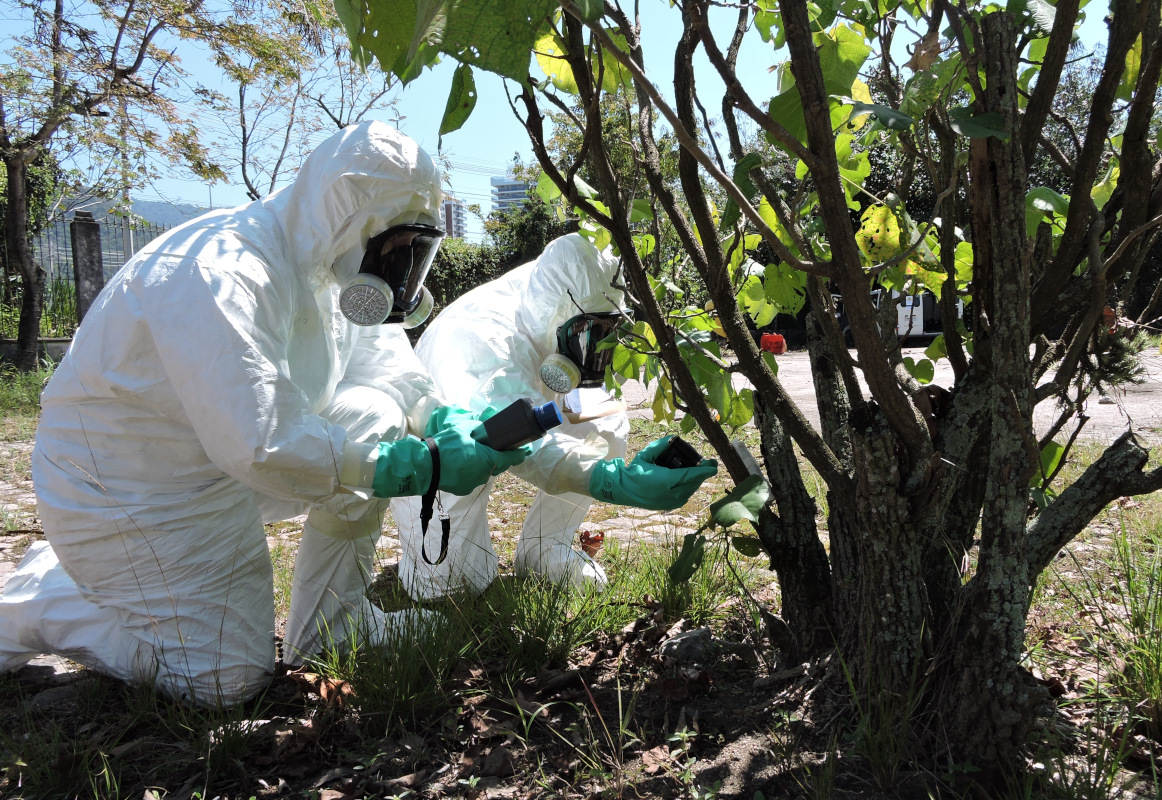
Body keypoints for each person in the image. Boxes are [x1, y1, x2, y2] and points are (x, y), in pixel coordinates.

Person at [0, 122, 526, 707]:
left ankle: (334, 624)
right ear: (352, 218)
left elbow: (383, 367)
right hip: (129, 492)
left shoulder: (331, 261)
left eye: (416, 252)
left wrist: (435, 416)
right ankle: (38, 600)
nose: (402, 271)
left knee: (373, 412)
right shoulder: (220, 271)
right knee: (224, 679)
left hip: (213, 466)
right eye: (398, 248)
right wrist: (409, 467)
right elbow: (261, 440)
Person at [392, 234, 718, 600]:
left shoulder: (573, 288)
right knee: (455, 585)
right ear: (555, 314)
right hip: (448, 435)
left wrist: (606, 457)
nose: (595, 350)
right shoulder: (480, 341)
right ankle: (436, 562)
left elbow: (580, 407)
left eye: (606, 331)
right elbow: (508, 435)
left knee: (605, 425)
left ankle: (545, 547)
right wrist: (610, 480)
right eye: (587, 334)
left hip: (524, 379)